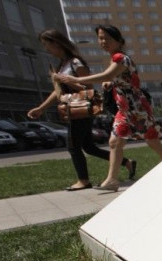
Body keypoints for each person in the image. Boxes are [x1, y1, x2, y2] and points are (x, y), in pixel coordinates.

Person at [54, 24, 162, 191]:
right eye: (100, 38)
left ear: (119, 41)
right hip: (125, 110)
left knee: (153, 142)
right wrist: (110, 83)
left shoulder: (120, 58)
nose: (103, 42)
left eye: (107, 38)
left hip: (137, 109)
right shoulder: (115, 59)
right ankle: (111, 180)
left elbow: (109, 75)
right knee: (115, 142)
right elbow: (117, 78)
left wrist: (76, 80)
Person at [27, 29, 136, 191]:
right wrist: (41, 108)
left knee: (73, 146)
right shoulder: (62, 65)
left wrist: (67, 80)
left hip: (81, 109)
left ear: (56, 43)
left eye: (46, 44)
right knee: (89, 147)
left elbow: (88, 88)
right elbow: (58, 92)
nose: (46, 48)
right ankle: (126, 162)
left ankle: (83, 180)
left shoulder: (75, 63)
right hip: (71, 109)